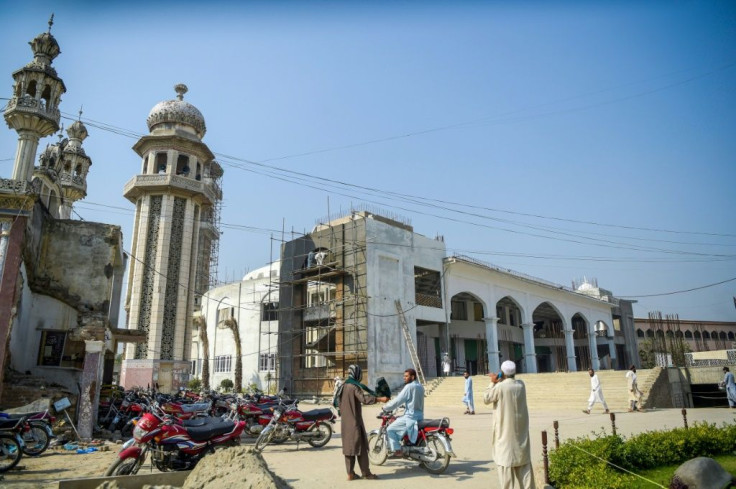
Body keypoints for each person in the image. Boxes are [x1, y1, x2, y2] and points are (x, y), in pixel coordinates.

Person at [483, 360, 535, 489]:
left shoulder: (500, 387)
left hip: (505, 438)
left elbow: (486, 398)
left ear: (502, 373)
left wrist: (492, 382)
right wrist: (501, 379)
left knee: (506, 472)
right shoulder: (521, 385)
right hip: (521, 437)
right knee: (525, 470)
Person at [334, 364, 388, 481]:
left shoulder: (342, 386)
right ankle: (366, 473)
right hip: (355, 423)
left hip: (345, 424)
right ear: (357, 374)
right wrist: (379, 399)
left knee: (349, 448)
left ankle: (350, 474)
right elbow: (363, 399)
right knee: (362, 447)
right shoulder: (354, 387)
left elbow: (337, 403)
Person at [382, 368, 424, 457]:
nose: (404, 378)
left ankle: (398, 450)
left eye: (406, 376)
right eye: (404, 376)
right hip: (419, 416)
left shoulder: (409, 387)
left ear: (412, 377)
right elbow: (413, 400)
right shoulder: (420, 386)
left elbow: (398, 400)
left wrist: (386, 407)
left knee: (390, 429)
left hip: (410, 417)